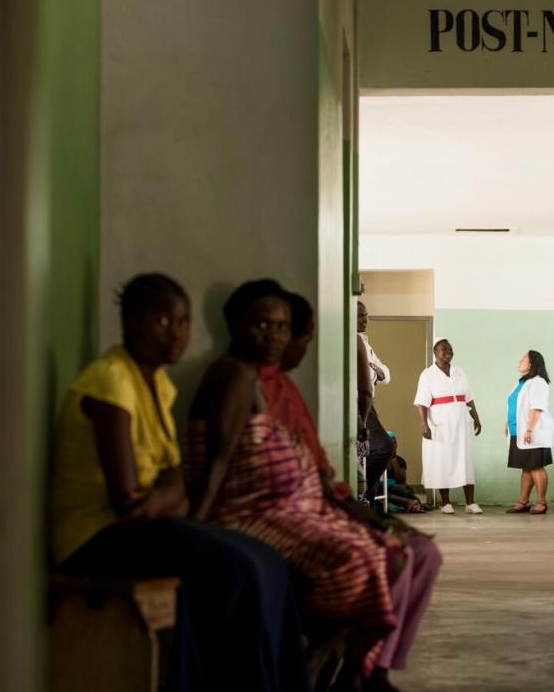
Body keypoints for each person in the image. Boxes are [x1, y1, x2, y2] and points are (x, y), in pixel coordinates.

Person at [50, 273, 309, 691]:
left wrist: (162, 499)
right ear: (131, 323)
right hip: (96, 538)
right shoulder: (111, 380)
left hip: (144, 527)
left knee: (268, 561)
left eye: (184, 322)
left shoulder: (158, 384)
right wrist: (163, 499)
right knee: (237, 571)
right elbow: (126, 501)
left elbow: (174, 481)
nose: (178, 334)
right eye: (164, 321)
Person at [189, 280, 441, 692]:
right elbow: (218, 464)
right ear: (235, 325)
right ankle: (339, 668)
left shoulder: (259, 380)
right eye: (262, 325)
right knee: (375, 558)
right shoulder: (234, 376)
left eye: (283, 328)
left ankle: (357, 670)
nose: (275, 337)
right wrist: (196, 531)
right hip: (254, 513)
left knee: (403, 551)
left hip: (294, 507)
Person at [414, 338, 484, 514]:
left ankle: (470, 502)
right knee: (443, 460)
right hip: (440, 423)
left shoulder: (459, 372)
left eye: (450, 350)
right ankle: (446, 503)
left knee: (465, 459)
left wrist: (476, 418)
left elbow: (468, 398)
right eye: (444, 350)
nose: (448, 353)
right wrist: (424, 425)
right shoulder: (427, 375)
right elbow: (422, 402)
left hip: (461, 420)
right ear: (435, 352)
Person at [504, 350, 554, 515]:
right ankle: (523, 502)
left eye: (523, 359)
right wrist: (508, 423)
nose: (520, 361)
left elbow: (536, 407)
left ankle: (541, 502)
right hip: (517, 430)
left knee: (536, 466)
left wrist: (529, 429)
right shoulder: (522, 382)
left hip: (531, 431)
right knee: (526, 467)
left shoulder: (538, 382)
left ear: (531, 364)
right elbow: (516, 406)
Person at [358, 301, 395, 505]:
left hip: (369, 401)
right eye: (360, 316)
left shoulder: (365, 344)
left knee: (381, 449)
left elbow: (386, 374)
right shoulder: (352, 341)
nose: (365, 320)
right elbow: (365, 375)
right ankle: (360, 493)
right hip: (361, 401)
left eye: (366, 315)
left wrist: (377, 371)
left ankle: (367, 500)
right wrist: (374, 371)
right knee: (384, 448)